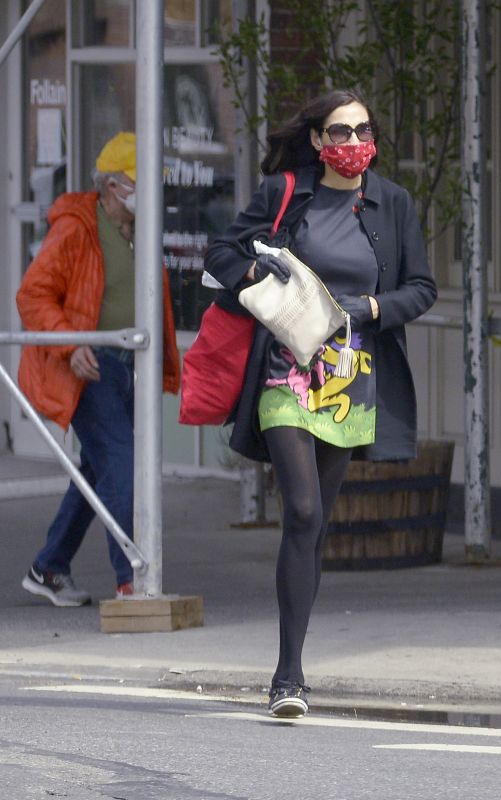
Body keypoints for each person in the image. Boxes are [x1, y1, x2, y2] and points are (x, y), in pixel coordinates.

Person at [204, 89, 437, 718]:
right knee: (302, 508)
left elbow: (422, 288)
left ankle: (290, 668)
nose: (352, 142)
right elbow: (221, 254)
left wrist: (371, 309)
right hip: (287, 372)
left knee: (315, 526)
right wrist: (260, 276)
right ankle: (289, 677)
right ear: (316, 140)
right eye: (339, 132)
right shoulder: (285, 193)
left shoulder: (393, 203)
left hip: (354, 379)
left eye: (363, 130)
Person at [17, 131, 180, 607]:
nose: (150, 190)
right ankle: (132, 580)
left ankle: (49, 566)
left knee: (98, 471)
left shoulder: (139, 227)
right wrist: (70, 344)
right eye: (139, 180)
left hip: (132, 365)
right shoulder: (77, 226)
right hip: (92, 368)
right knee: (124, 467)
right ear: (112, 185)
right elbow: (32, 294)